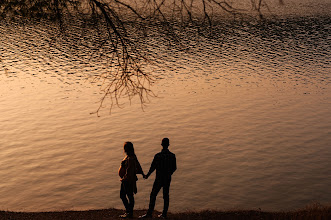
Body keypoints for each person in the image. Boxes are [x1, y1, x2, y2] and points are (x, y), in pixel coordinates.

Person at [139, 138, 177, 219]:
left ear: (161, 144)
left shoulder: (158, 156)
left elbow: (153, 167)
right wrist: (169, 173)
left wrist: (147, 175)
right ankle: (164, 214)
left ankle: (149, 213)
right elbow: (174, 167)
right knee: (165, 196)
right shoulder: (172, 156)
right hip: (167, 178)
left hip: (159, 178)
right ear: (168, 145)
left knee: (153, 195)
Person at [119, 142, 145, 218]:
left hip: (127, 180)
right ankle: (129, 212)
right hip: (126, 179)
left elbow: (129, 171)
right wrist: (142, 173)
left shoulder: (130, 158)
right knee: (126, 195)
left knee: (127, 196)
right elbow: (138, 165)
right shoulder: (131, 156)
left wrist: (124, 178)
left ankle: (129, 212)